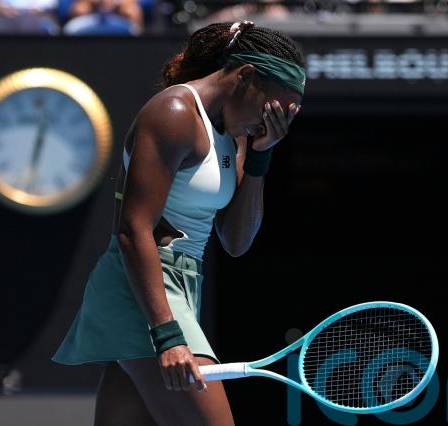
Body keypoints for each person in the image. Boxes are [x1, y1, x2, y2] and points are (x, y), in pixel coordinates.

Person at [52, 20, 305, 426]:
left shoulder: (238, 135)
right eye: (270, 111)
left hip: (179, 291)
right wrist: (167, 334)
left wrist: (262, 154)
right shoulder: (174, 113)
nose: (270, 124)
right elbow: (133, 230)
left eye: (282, 120)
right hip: (144, 288)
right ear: (245, 76)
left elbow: (236, 241)